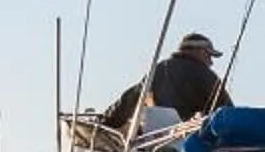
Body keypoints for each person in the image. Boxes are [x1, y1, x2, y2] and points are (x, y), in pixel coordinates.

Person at [99, 33, 233, 132]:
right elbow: (228, 112)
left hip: (153, 141)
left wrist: (103, 123)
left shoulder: (158, 69)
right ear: (197, 52)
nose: (211, 62)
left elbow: (128, 100)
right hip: (188, 139)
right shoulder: (205, 75)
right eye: (208, 55)